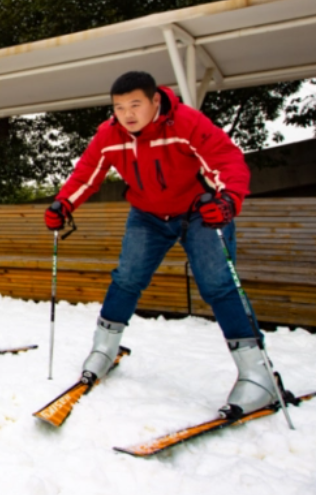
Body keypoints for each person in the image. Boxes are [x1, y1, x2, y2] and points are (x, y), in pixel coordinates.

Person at [46, 70, 279, 417]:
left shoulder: (185, 123)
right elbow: (88, 172)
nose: (127, 114)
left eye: (135, 104)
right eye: (119, 107)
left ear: (156, 101)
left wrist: (228, 200)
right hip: (148, 215)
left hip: (200, 212)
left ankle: (257, 373)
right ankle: (104, 349)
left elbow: (225, 160)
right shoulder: (110, 135)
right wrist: (64, 203)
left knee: (217, 284)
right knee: (127, 278)